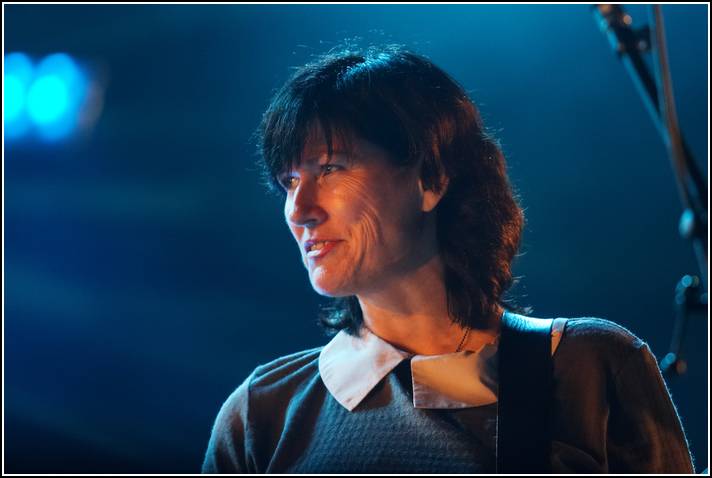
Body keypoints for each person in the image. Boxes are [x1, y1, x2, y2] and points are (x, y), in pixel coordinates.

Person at [201, 46, 694, 474]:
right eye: (288, 181)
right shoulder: (261, 415)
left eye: (330, 167)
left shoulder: (590, 368)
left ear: (432, 178)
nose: (298, 209)